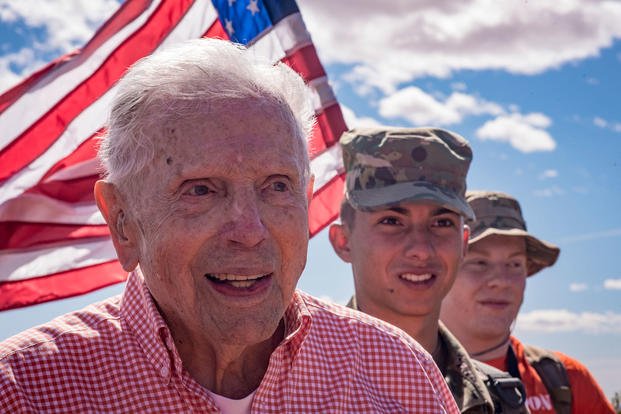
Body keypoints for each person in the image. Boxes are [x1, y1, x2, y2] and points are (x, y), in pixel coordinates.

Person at [0, 39, 459, 413]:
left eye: (276, 186)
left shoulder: (398, 371)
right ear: (122, 221)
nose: (250, 229)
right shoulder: (24, 390)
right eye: (200, 190)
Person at [329, 127, 527, 414]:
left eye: (442, 223)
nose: (421, 249)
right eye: (392, 221)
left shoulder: (499, 402)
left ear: (463, 244)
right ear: (344, 241)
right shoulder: (290, 385)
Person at [441, 190, 615, 414]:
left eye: (514, 264)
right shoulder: (402, 373)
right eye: (480, 262)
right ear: (442, 269)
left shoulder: (566, 380)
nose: (501, 281)